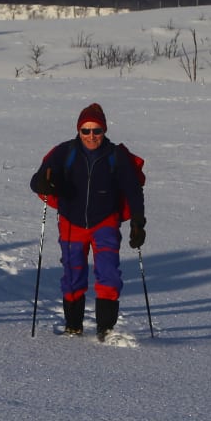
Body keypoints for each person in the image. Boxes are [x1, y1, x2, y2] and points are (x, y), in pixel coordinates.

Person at [28, 102, 146, 341]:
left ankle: (106, 328)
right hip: (71, 222)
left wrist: (137, 222)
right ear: (78, 130)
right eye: (86, 130)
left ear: (104, 130)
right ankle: (73, 325)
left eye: (97, 130)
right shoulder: (64, 152)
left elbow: (133, 190)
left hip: (105, 222)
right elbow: (38, 179)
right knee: (73, 272)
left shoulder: (116, 155)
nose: (91, 136)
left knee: (109, 273)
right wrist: (42, 183)